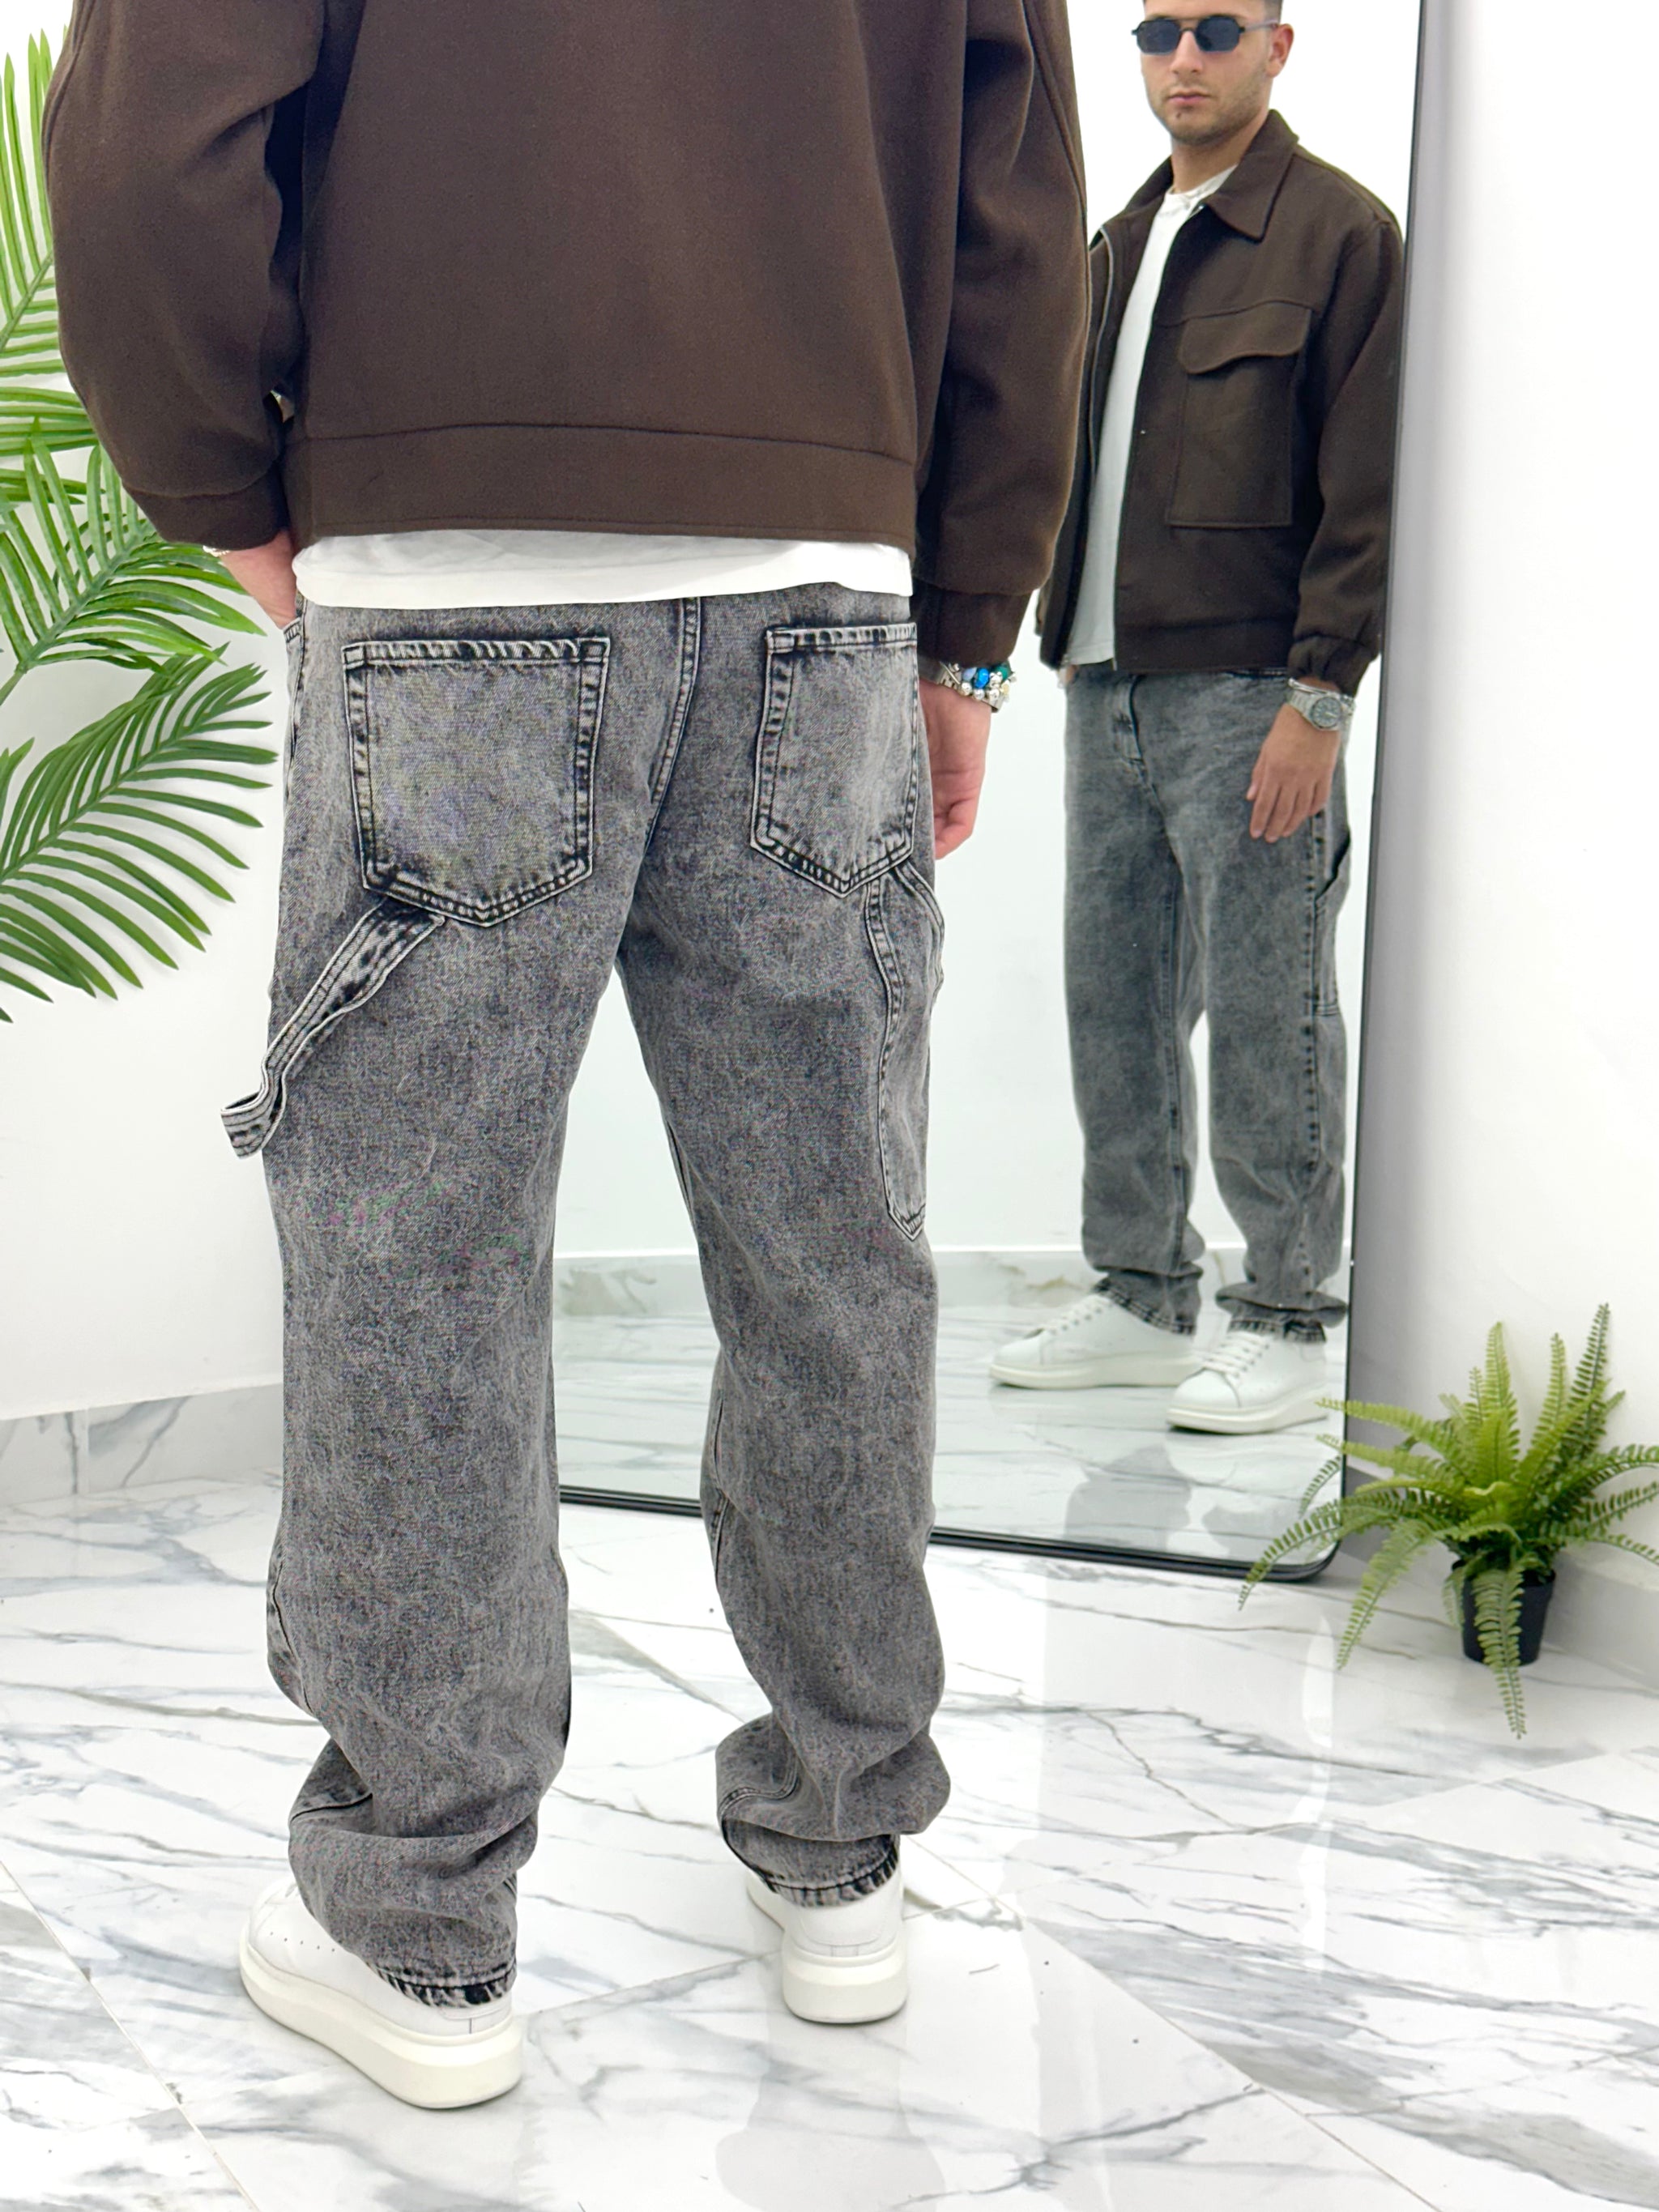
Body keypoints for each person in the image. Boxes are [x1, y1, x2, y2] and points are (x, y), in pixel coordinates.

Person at [45, 1, 1087, 2108]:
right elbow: (1016, 199)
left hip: (457, 560)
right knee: (832, 1246)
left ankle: (418, 1918)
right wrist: (970, 618)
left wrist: (223, 484)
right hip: (825, 578)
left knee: (415, 1258)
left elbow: (158, 126)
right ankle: (843, 1845)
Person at [993, 3, 1402, 1435]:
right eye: (1159, 29)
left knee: (1270, 1008)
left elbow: (1369, 485)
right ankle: (1141, 1293)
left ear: (1277, 49)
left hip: (1250, 692)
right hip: (1103, 680)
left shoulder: (1339, 234)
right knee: (1114, 1004)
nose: (1184, 57)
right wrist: (1047, 638)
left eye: (1217, 29)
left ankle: (1289, 1315)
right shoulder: (1113, 243)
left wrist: (1320, 695)